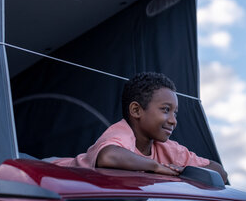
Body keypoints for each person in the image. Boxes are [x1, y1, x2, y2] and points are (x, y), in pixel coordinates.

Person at [52, 72, 227, 182]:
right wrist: (157, 167)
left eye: (175, 113)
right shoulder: (122, 133)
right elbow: (108, 156)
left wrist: (185, 170)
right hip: (54, 172)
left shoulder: (168, 149)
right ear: (136, 110)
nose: (173, 120)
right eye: (166, 110)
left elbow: (220, 172)